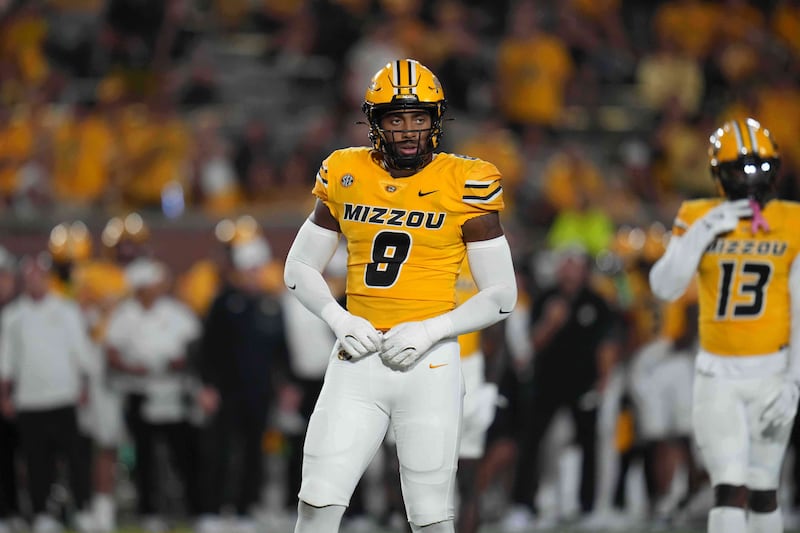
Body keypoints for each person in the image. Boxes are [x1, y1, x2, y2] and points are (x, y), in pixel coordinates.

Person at [283, 58, 517, 533]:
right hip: (356, 355)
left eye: (419, 117)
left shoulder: (465, 181)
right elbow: (298, 267)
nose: (409, 130)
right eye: (396, 118)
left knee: (430, 517)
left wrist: (432, 328)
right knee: (317, 500)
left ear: (436, 120)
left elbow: (502, 295)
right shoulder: (345, 171)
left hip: (430, 362)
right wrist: (340, 318)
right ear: (375, 122)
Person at [649, 117, 800, 533]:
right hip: (717, 372)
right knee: (728, 487)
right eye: (740, 170)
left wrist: (795, 378)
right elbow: (664, 287)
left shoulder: (793, 220)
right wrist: (701, 234)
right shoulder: (699, 214)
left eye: (760, 168)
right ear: (719, 173)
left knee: (765, 488)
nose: (751, 180)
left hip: (772, 369)